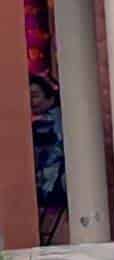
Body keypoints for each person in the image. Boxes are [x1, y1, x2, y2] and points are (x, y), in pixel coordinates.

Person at [29, 75, 65, 242]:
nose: (31, 101)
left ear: (49, 95)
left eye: (35, 95)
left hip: (51, 185)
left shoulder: (45, 122)